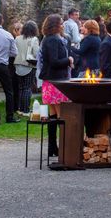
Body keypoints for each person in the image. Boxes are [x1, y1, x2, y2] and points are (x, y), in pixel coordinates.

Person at [39, 14, 74, 157]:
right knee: (61, 116)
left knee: (53, 116)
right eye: (61, 23)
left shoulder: (48, 39)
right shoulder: (53, 40)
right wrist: (69, 59)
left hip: (51, 81)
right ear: (55, 25)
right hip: (57, 82)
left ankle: (52, 147)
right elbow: (54, 61)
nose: (63, 25)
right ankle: (63, 147)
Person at [14, 21, 40, 115]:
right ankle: (25, 110)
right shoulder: (34, 39)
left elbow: (14, 51)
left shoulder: (17, 38)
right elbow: (36, 54)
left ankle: (20, 109)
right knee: (27, 88)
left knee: (21, 88)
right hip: (29, 64)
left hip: (17, 64)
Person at [8, 21, 23, 118]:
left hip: (13, 64)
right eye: (21, 29)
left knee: (16, 87)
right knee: (14, 87)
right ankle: (15, 107)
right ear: (16, 30)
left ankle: (16, 106)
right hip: (12, 65)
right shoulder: (14, 39)